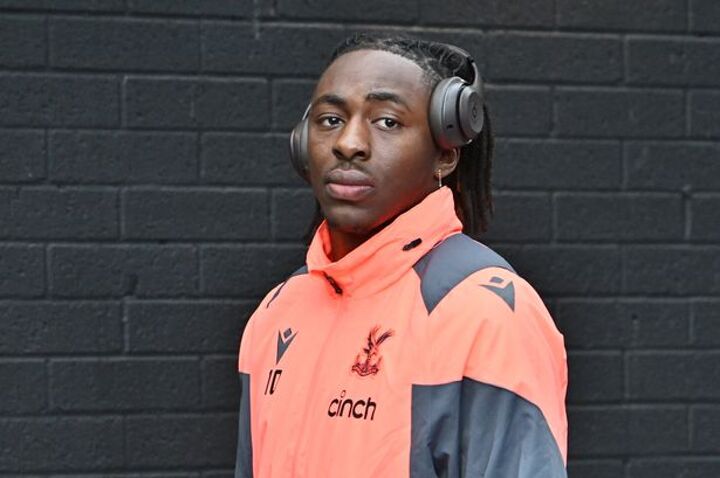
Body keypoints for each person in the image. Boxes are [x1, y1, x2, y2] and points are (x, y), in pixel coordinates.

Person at [234, 33, 568, 478]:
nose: (349, 143)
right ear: (301, 144)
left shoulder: (484, 314)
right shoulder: (275, 313)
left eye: (387, 122)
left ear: (445, 154)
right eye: (330, 119)